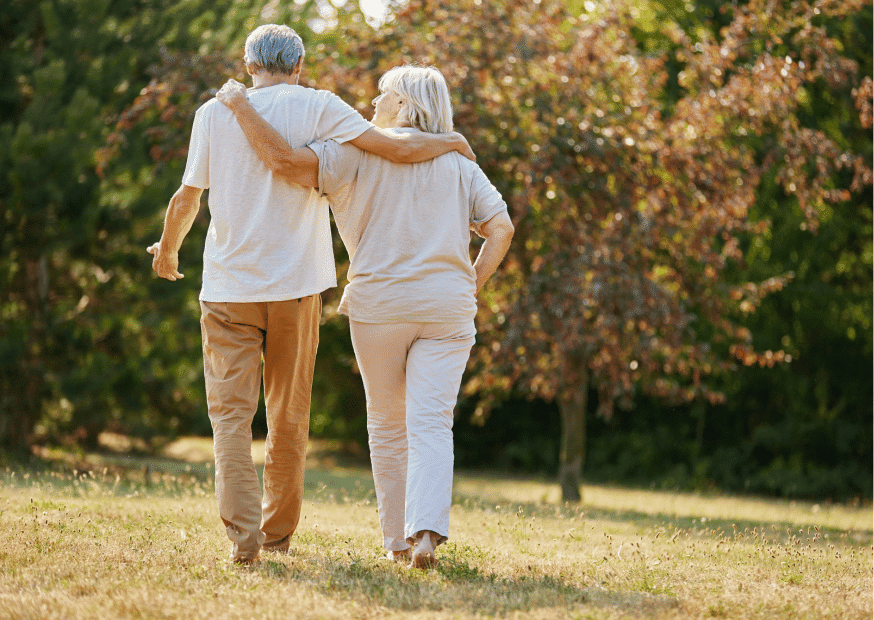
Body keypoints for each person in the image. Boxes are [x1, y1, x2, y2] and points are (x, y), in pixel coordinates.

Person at [148, 25, 477, 565]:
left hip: (228, 289)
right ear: (299, 65)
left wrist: (167, 251)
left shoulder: (213, 112)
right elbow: (392, 147)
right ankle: (275, 536)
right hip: (297, 288)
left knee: (230, 419)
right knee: (288, 416)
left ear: (248, 63)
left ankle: (243, 539)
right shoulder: (321, 106)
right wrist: (452, 143)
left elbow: (187, 195)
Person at [215, 65, 515, 568]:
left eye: (382, 94)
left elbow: (288, 167)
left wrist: (242, 110)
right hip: (447, 307)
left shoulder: (350, 152)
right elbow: (500, 228)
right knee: (433, 423)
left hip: (380, 306)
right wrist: (471, 282)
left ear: (402, 104)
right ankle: (425, 535)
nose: (371, 102)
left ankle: (396, 544)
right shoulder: (459, 161)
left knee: (387, 424)